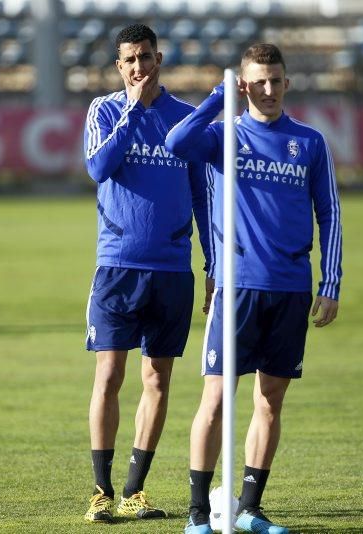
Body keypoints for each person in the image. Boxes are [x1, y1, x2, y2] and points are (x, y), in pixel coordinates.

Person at [165, 43, 343, 534]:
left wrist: (330, 283)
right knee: (217, 398)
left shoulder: (309, 142)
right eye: (258, 81)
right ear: (244, 84)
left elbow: (329, 213)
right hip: (237, 289)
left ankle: (248, 509)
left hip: (290, 289)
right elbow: (176, 142)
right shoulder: (222, 135)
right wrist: (216, 100)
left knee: (271, 400)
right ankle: (198, 513)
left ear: (287, 82)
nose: (269, 89)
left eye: (277, 79)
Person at [82, 23, 213, 524]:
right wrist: (134, 113)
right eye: (129, 60)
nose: (139, 67)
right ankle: (101, 491)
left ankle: (135, 491)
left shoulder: (186, 119)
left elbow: (203, 196)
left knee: (157, 378)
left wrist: (212, 264)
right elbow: (98, 167)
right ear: (119, 66)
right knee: (110, 374)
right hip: (117, 265)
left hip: (172, 269)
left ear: (159, 57)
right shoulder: (105, 110)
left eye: (146, 57)